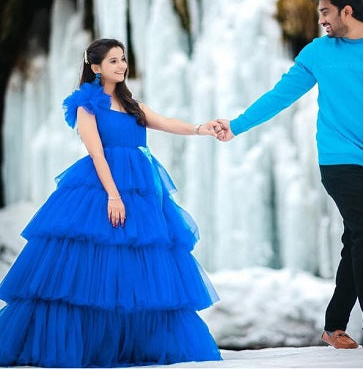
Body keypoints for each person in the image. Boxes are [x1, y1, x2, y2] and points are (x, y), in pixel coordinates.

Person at [215, 0, 363, 349]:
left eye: (326, 13)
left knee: (357, 241)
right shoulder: (318, 52)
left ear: (348, 11)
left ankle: (333, 326)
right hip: (338, 159)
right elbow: (279, 96)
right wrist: (236, 126)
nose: (321, 21)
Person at [0, 38, 222, 367]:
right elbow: (96, 152)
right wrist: (113, 195)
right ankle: (84, 343)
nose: (121, 66)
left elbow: (163, 122)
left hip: (141, 189)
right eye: (113, 61)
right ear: (95, 67)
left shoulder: (130, 102)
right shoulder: (86, 104)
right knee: (90, 265)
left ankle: (132, 341)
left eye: (123, 59)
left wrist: (200, 128)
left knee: (135, 263)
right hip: (103, 187)